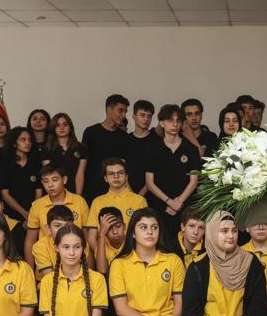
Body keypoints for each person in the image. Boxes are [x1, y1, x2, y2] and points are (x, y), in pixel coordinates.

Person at [183, 211, 267, 316]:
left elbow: (257, 309)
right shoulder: (198, 267)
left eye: (234, 231)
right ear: (213, 232)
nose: (231, 236)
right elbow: (190, 311)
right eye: (224, 231)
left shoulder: (251, 263)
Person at [108, 208, 185, 316]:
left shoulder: (173, 260)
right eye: (143, 227)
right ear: (133, 233)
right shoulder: (119, 264)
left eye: (154, 227)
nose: (149, 232)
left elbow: (179, 302)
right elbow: (121, 309)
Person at [145, 104, 200, 240]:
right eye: (170, 120)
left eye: (178, 121)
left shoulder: (191, 149)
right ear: (162, 123)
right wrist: (169, 202)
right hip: (160, 207)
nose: (175, 124)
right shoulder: (152, 149)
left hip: (185, 208)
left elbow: (194, 182)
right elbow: (149, 183)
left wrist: (178, 203)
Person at [24, 164, 89, 267]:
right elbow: (30, 241)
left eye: (54, 180)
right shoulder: (37, 206)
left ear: (64, 180)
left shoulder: (79, 202)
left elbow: (86, 238)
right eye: (46, 181)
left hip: (76, 263)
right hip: (46, 262)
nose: (50, 185)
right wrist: (29, 272)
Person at [84, 157, 147, 251]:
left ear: (126, 177)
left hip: (133, 257)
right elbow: (91, 238)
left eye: (120, 173)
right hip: (106, 258)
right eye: (111, 174)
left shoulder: (139, 200)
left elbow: (144, 233)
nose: (116, 176)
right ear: (105, 178)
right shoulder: (98, 202)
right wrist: (103, 257)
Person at [82, 94, 131, 202]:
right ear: (109, 109)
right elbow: (82, 167)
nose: (123, 115)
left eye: (125, 112)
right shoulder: (91, 132)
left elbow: (123, 167)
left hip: (116, 192)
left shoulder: (124, 137)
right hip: (92, 191)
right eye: (120, 111)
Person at [0, 126, 42, 221]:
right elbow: (5, 194)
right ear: (14, 143)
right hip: (12, 215)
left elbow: (39, 192)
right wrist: (23, 213)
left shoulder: (35, 164)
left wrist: (32, 213)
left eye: (29, 140)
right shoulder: (5, 165)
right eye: (23, 140)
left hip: (34, 213)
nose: (28, 143)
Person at [32, 205, 84, 280]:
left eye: (67, 226)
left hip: (78, 284)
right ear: (48, 228)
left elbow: (87, 272)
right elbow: (50, 279)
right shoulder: (39, 246)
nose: (62, 230)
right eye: (57, 225)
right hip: (50, 287)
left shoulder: (80, 243)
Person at [42, 113, 87, 196]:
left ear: (70, 127)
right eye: (58, 125)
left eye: (65, 124)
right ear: (53, 128)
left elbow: (80, 175)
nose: (61, 128)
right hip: (55, 193)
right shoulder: (47, 149)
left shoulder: (81, 148)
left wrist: (78, 197)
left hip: (75, 191)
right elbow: (48, 175)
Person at [125, 100, 158, 195]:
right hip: (128, 192)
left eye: (149, 116)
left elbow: (157, 170)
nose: (146, 119)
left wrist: (141, 195)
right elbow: (121, 168)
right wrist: (131, 194)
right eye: (142, 115)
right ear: (134, 116)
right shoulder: (125, 140)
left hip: (152, 194)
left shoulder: (157, 141)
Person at [94, 206, 125, 274]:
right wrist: (101, 235)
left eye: (118, 226)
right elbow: (102, 270)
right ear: (103, 230)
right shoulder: (101, 246)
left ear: (124, 226)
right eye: (109, 228)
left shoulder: (132, 242)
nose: (115, 232)